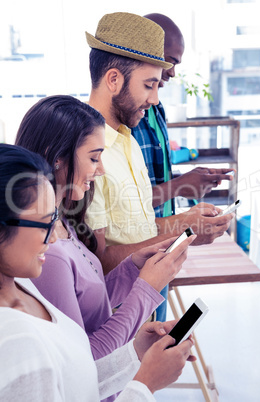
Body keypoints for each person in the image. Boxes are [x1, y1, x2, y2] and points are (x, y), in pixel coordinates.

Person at [0, 143, 196, 401]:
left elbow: (73, 384)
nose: (52, 239)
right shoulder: (16, 343)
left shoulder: (23, 285)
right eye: (42, 225)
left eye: (54, 220)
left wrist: (134, 355)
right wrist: (145, 384)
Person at [15, 95, 195, 364]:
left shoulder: (63, 221)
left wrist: (133, 268)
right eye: (94, 158)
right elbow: (84, 358)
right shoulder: (48, 253)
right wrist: (147, 288)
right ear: (57, 157)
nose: (100, 171)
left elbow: (92, 302)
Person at [84, 12, 234, 276]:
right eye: (148, 85)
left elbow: (138, 227)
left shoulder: (126, 139)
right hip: (118, 314)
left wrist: (184, 221)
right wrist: (183, 231)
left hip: (145, 303)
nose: (154, 100)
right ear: (114, 79)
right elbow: (98, 264)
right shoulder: (87, 153)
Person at [131, 13, 235, 321]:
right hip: (137, 252)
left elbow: (151, 180)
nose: (173, 73)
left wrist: (190, 183)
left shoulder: (156, 108)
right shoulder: (121, 122)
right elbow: (129, 202)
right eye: (169, 61)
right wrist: (179, 188)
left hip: (163, 245)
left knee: (155, 330)